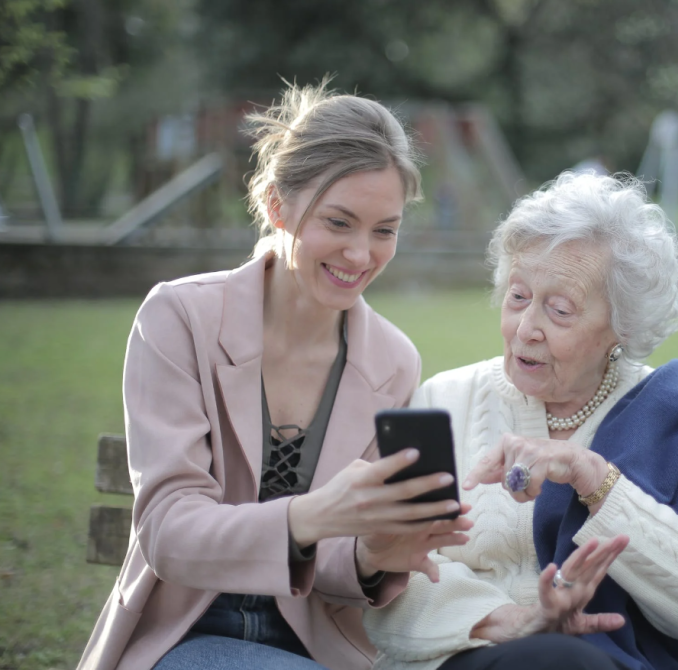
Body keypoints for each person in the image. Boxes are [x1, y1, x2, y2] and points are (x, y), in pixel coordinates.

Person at [79, 83, 473, 670]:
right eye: (339, 222)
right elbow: (168, 531)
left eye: (384, 230)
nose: (361, 255)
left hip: (317, 649)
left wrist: (375, 551)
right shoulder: (179, 317)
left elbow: (337, 572)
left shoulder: (393, 359)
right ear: (275, 204)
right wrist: (314, 515)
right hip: (182, 635)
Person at [363, 172, 678, 670]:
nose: (525, 328)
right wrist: (508, 620)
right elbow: (386, 573)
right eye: (517, 296)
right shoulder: (444, 399)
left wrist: (594, 478)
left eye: (559, 310)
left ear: (623, 326)